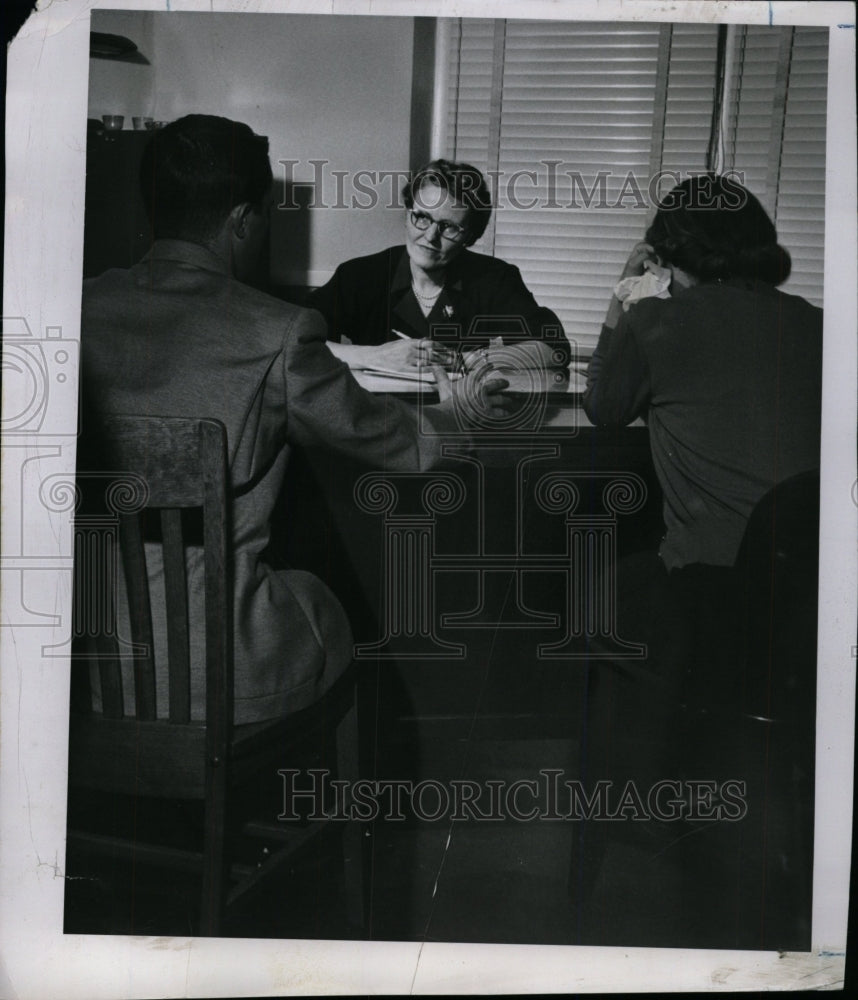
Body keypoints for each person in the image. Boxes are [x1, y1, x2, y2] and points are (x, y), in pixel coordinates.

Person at [79, 114, 508, 725]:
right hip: (219, 673)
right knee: (342, 603)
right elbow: (404, 445)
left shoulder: (73, 308)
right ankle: (345, 804)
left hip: (76, 664)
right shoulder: (278, 332)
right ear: (243, 222)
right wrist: (458, 412)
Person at [308, 158, 571, 373]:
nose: (430, 236)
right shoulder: (360, 275)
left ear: (470, 237)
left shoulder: (494, 278)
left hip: (461, 420)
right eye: (422, 217)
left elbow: (553, 348)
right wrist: (372, 356)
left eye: (449, 228)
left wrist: (466, 361)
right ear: (408, 214)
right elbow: (294, 341)